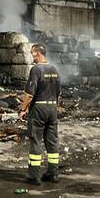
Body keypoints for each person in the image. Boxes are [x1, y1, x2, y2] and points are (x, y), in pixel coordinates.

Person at [19, 44, 61, 185]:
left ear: (38, 53)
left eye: (32, 53)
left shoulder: (36, 70)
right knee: (52, 141)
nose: (32, 56)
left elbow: (30, 94)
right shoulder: (54, 69)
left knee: (36, 140)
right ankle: (53, 173)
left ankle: (34, 176)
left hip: (39, 109)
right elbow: (58, 93)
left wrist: (23, 109)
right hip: (53, 109)